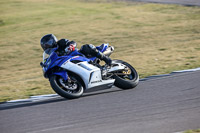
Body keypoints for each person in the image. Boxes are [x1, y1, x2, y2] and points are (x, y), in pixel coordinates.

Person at [40, 34, 112, 65]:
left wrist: (71, 45)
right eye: (45, 45)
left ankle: (105, 58)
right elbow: (48, 61)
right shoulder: (51, 54)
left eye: (47, 43)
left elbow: (72, 42)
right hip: (68, 64)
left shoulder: (61, 43)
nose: (47, 46)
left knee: (86, 47)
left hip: (78, 55)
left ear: (52, 41)